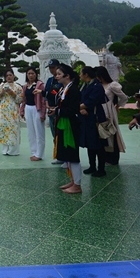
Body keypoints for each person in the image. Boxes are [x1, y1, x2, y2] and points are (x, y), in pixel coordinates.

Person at [53, 64, 83, 194]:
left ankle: (77, 185)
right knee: (67, 154)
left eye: (59, 74)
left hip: (71, 125)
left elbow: (73, 109)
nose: (57, 76)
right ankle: (73, 180)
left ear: (67, 76)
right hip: (65, 123)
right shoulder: (65, 89)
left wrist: (57, 111)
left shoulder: (73, 90)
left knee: (72, 153)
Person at [94, 66, 127, 165]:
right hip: (99, 112)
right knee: (101, 133)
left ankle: (113, 158)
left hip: (109, 111)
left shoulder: (112, 85)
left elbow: (124, 97)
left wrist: (118, 105)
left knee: (111, 133)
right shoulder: (96, 85)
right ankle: (104, 157)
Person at [79, 66, 108, 177]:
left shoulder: (97, 86)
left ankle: (101, 168)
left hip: (95, 118)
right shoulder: (85, 85)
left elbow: (92, 101)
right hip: (86, 118)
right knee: (89, 143)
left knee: (98, 144)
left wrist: (80, 107)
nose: (80, 75)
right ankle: (92, 166)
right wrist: (81, 108)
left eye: (81, 73)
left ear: (86, 74)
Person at [20, 66, 47, 161]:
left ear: (36, 74)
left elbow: (43, 100)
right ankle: (34, 152)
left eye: (32, 73)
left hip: (37, 109)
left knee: (39, 132)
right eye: (29, 74)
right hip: (28, 108)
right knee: (30, 132)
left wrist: (43, 113)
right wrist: (22, 110)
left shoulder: (40, 85)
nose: (31, 75)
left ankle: (40, 154)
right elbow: (24, 99)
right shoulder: (25, 86)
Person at [0, 69, 23, 156]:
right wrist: (2, 92)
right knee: (4, 129)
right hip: (4, 112)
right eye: (7, 75)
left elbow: (20, 99)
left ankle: (13, 150)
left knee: (13, 129)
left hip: (13, 112)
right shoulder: (2, 85)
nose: (9, 77)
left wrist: (12, 93)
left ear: (13, 76)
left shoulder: (18, 87)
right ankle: (5, 149)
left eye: (10, 75)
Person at [43, 59, 63, 163]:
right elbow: (46, 94)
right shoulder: (50, 80)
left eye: (53, 68)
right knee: (54, 134)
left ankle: (63, 156)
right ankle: (57, 155)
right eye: (50, 68)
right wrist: (47, 105)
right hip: (50, 110)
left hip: (59, 110)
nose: (51, 70)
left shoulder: (62, 81)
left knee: (60, 134)